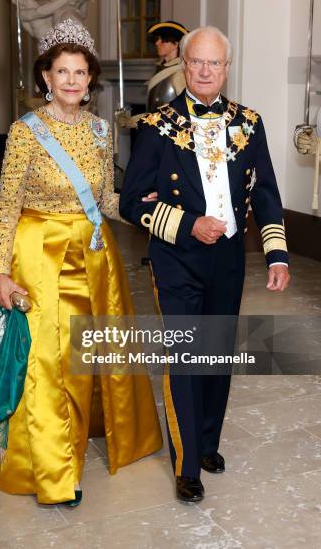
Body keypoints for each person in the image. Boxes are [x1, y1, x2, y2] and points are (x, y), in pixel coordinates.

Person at [0, 19, 162, 506]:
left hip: (93, 253)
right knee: (47, 362)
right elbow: (6, 204)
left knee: (88, 355)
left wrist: (139, 207)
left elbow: (104, 197)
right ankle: (54, 471)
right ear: (46, 76)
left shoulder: (101, 130)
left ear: (90, 80)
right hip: (39, 251)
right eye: (61, 71)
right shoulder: (25, 132)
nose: (70, 80)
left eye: (80, 73)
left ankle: (97, 433)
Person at [119, 26, 290, 503]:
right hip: (176, 257)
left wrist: (276, 254)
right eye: (197, 62)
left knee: (216, 355)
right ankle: (186, 461)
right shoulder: (156, 126)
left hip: (229, 258)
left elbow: (268, 194)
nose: (206, 70)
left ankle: (208, 442)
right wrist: (188, 224)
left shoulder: (249, 122)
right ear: (184, 65)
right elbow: (131, 202)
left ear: (227, 68)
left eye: (215, 63)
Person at [117, 21, 188, 130]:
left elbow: (183, 113)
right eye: (157, 39)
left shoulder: (179, 73)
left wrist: (136, 121)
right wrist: (132, 121)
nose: (157, 43)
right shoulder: (163, 70)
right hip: (156, 132)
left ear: (176, 44)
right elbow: (154, 112)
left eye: (163, 40)